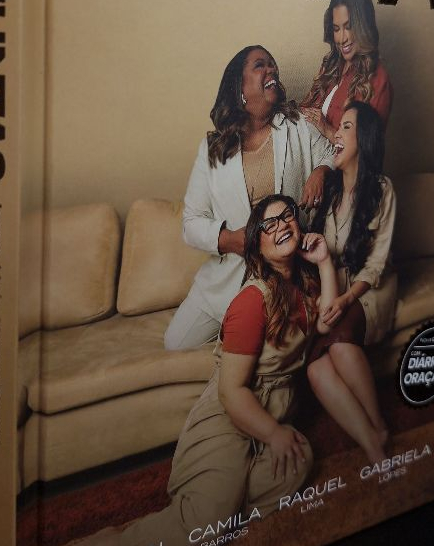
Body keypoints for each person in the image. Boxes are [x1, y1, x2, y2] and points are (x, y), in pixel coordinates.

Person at [95, 195, 339, 546]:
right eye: (269, 225)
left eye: (287, 216)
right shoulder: (252, 300)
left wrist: (325, 261)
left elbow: (327, 323)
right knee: (204, 523)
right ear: (257, 247)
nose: (282, 225)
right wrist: (274, 434)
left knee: (299, 459)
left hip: (274, 412)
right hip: (231, 414)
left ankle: (219, 511)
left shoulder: (303, 286)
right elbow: (231, 391)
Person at [164, 45, 335, 351]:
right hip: (228, 276)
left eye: (273, 64)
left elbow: (334, 152)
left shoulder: (297, 125)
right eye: (260, 65)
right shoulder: (213, 148)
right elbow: (191, 223)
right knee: (176, 343)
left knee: (281, 349)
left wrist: (321, 171)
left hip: (287, 273)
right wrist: (230, 240)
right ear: (239, 87)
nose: (272, 70)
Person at [307, 101, 397, 466]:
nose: (336, 134)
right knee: (315, 369)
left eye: (346, 127)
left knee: (340, 346)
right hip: (335, 287)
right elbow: (318, 248)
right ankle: (372, 441)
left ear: (365, 138)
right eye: (338, 127)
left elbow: (376, 264)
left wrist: (346, 300)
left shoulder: (382, 189)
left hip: (369, 290)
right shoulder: (329, 189)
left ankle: (379, 426)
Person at [300, 0, 392, 143]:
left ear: (363, 26)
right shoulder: (330, 64)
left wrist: (327, 130)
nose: (342, 39)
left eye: (349, 27)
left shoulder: (378, 79)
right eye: (336, 29)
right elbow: (305, 111)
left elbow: (367, 149)